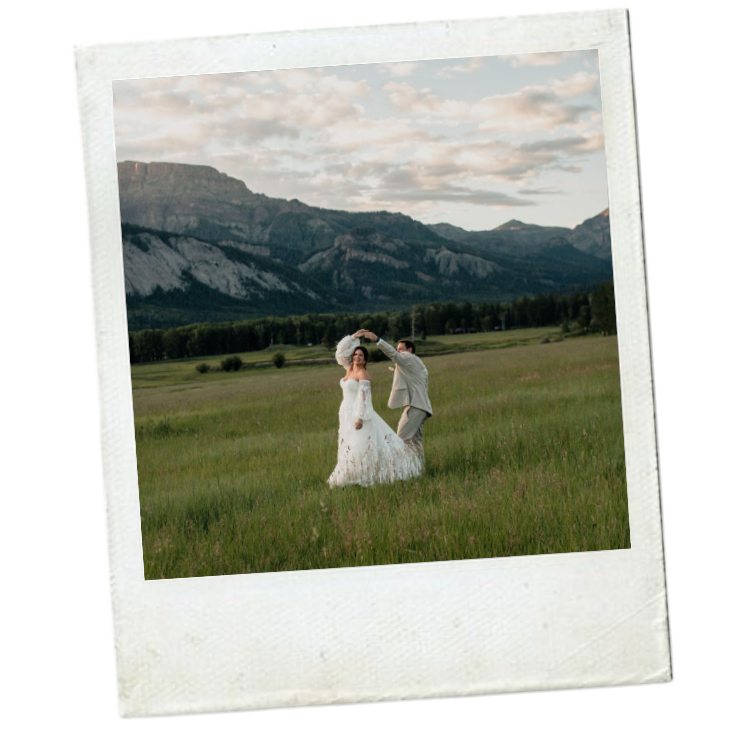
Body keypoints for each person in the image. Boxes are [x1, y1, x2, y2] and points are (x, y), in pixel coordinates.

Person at [327, 331, 423, 488]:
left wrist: (360, 418)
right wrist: (353, 337)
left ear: (365, 360)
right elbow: (340, 353)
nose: (357, 357)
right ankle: (350, 474)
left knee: (360, 445)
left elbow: (364, 399)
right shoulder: (349, 367)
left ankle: (366, 475)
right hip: (345, 413)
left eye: (361, 356)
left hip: (357, 413)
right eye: (355, 354)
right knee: (347, 444)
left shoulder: (363, 374)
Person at [357, 330, 432, 469]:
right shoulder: (417, 364)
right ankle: (420, 470)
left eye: (401, 349)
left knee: (401, 440)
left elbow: (392, 354)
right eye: (398, 349)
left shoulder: (408, 358)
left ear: (409, 350)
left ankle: (403, 471)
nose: (398, 352)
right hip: (423, 408)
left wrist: (377, 339)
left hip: (415, 407)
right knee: (414, 443)